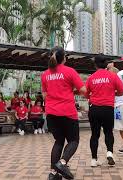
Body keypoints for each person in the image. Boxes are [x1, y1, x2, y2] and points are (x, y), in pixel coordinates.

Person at [42, 46, 86, 180]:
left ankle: (53, 174)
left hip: (51, 113)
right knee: (73, 140)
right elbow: (83, 90)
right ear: (64, 58)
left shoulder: (45, 74)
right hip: (67, 112)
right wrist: (73, 92)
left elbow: (44, 96)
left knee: (58, 141)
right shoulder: (70, 72)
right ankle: (62, 163)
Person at [85, 56, 123, 167]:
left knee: (95, 134)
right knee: (108, 132)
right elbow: (122, 91)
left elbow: (85, 93)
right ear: (106, 64)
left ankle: (94, 160)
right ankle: (109, 153)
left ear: (95, 65)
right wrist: (113, 93)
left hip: (94, 109)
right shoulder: (113, 76)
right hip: (108, 108)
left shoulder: (91, 78)